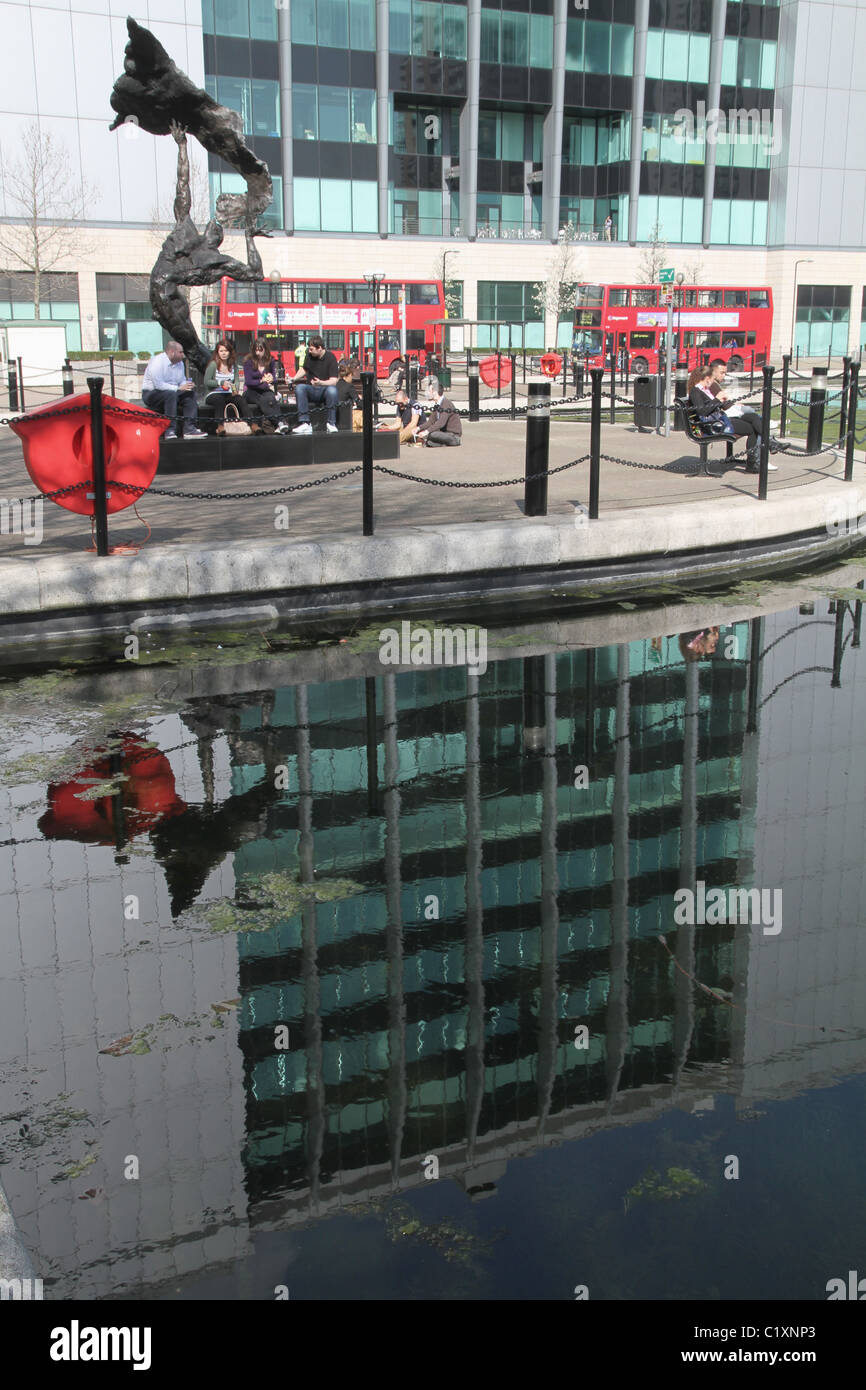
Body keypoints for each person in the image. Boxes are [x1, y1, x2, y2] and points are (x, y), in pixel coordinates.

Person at [688, 364, 761, 472]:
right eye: (712, 379)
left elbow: (712, 407)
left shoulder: (704, 390)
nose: (713, 381)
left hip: (718, 421)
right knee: (751, 429)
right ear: (707, 378)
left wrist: (723, 401)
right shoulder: (696, 391)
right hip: (710, 426)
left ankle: (767, 445)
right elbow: (702, 412)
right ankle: (754, 461)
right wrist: (717, 399)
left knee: (752, 417)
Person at [708, 361, 779, 470]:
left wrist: (734, 405)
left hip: (723, 417)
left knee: (755, 421)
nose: (724, 376)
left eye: (725, 373)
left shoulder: (713, 385)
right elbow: (722, 406)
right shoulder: (712, 385)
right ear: (713, 372)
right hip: (719, 421)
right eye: (721, 373)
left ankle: (760, 455)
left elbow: (723, 404)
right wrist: (733, 405)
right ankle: (761, 454)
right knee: (755, 424)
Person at [142, 340, 206, 439]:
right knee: (170, 395)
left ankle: (189, 429)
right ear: (172, 352)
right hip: (152, 393)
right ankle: (170, 430)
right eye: (181, 352)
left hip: (173, 392)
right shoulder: (157, 362)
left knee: (190, 395)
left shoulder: (180, 363)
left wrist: (187, 385)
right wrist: (178, 388)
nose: (183, 355)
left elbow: (181, 380)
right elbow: (158, 385)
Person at [203, 340, 256, 433]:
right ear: (217, 352)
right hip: (214, 394)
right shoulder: (213, 364)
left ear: (230, 352)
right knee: (219, 400)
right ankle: (220, 426)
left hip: (228, 393)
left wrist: (234, 390)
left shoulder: (233, 365)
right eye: (221, 351)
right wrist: (220, 383)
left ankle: (253, 424)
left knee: (240, 399)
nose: (224, 353)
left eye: (226, 351)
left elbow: (236, 381)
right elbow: (206, 381)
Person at [291, 335, 339, 433]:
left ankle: (331, 423)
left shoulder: (331, 357)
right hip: (311, 388)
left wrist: (321, 383)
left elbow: (334, 381)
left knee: (332, 390)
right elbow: (304, 369)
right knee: (300, 388)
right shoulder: (309, 356)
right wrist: (293, 379)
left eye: (311, 349)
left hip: (325, 389)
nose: (309, 351)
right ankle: (305, 423)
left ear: (319, 348)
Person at [243, 338, 288, 434]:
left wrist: (271, 379)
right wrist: (261, 380)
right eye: (256, 350)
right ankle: (280, 423)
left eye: (260, 350)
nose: (258, 353)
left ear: (265, 349)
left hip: (264, 390)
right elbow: (248, 381)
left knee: (271, 398)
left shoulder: (270, 360)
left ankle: (281, 424)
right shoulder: (248, 362)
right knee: (263, 400)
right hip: (251, 391)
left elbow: (274, 378)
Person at [337, 360, 363, 432]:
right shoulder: (349, 386)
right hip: (345, 417)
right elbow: (359, 403)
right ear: (347, 376)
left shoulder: (335, 385)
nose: (352, 379)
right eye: (351, 376)